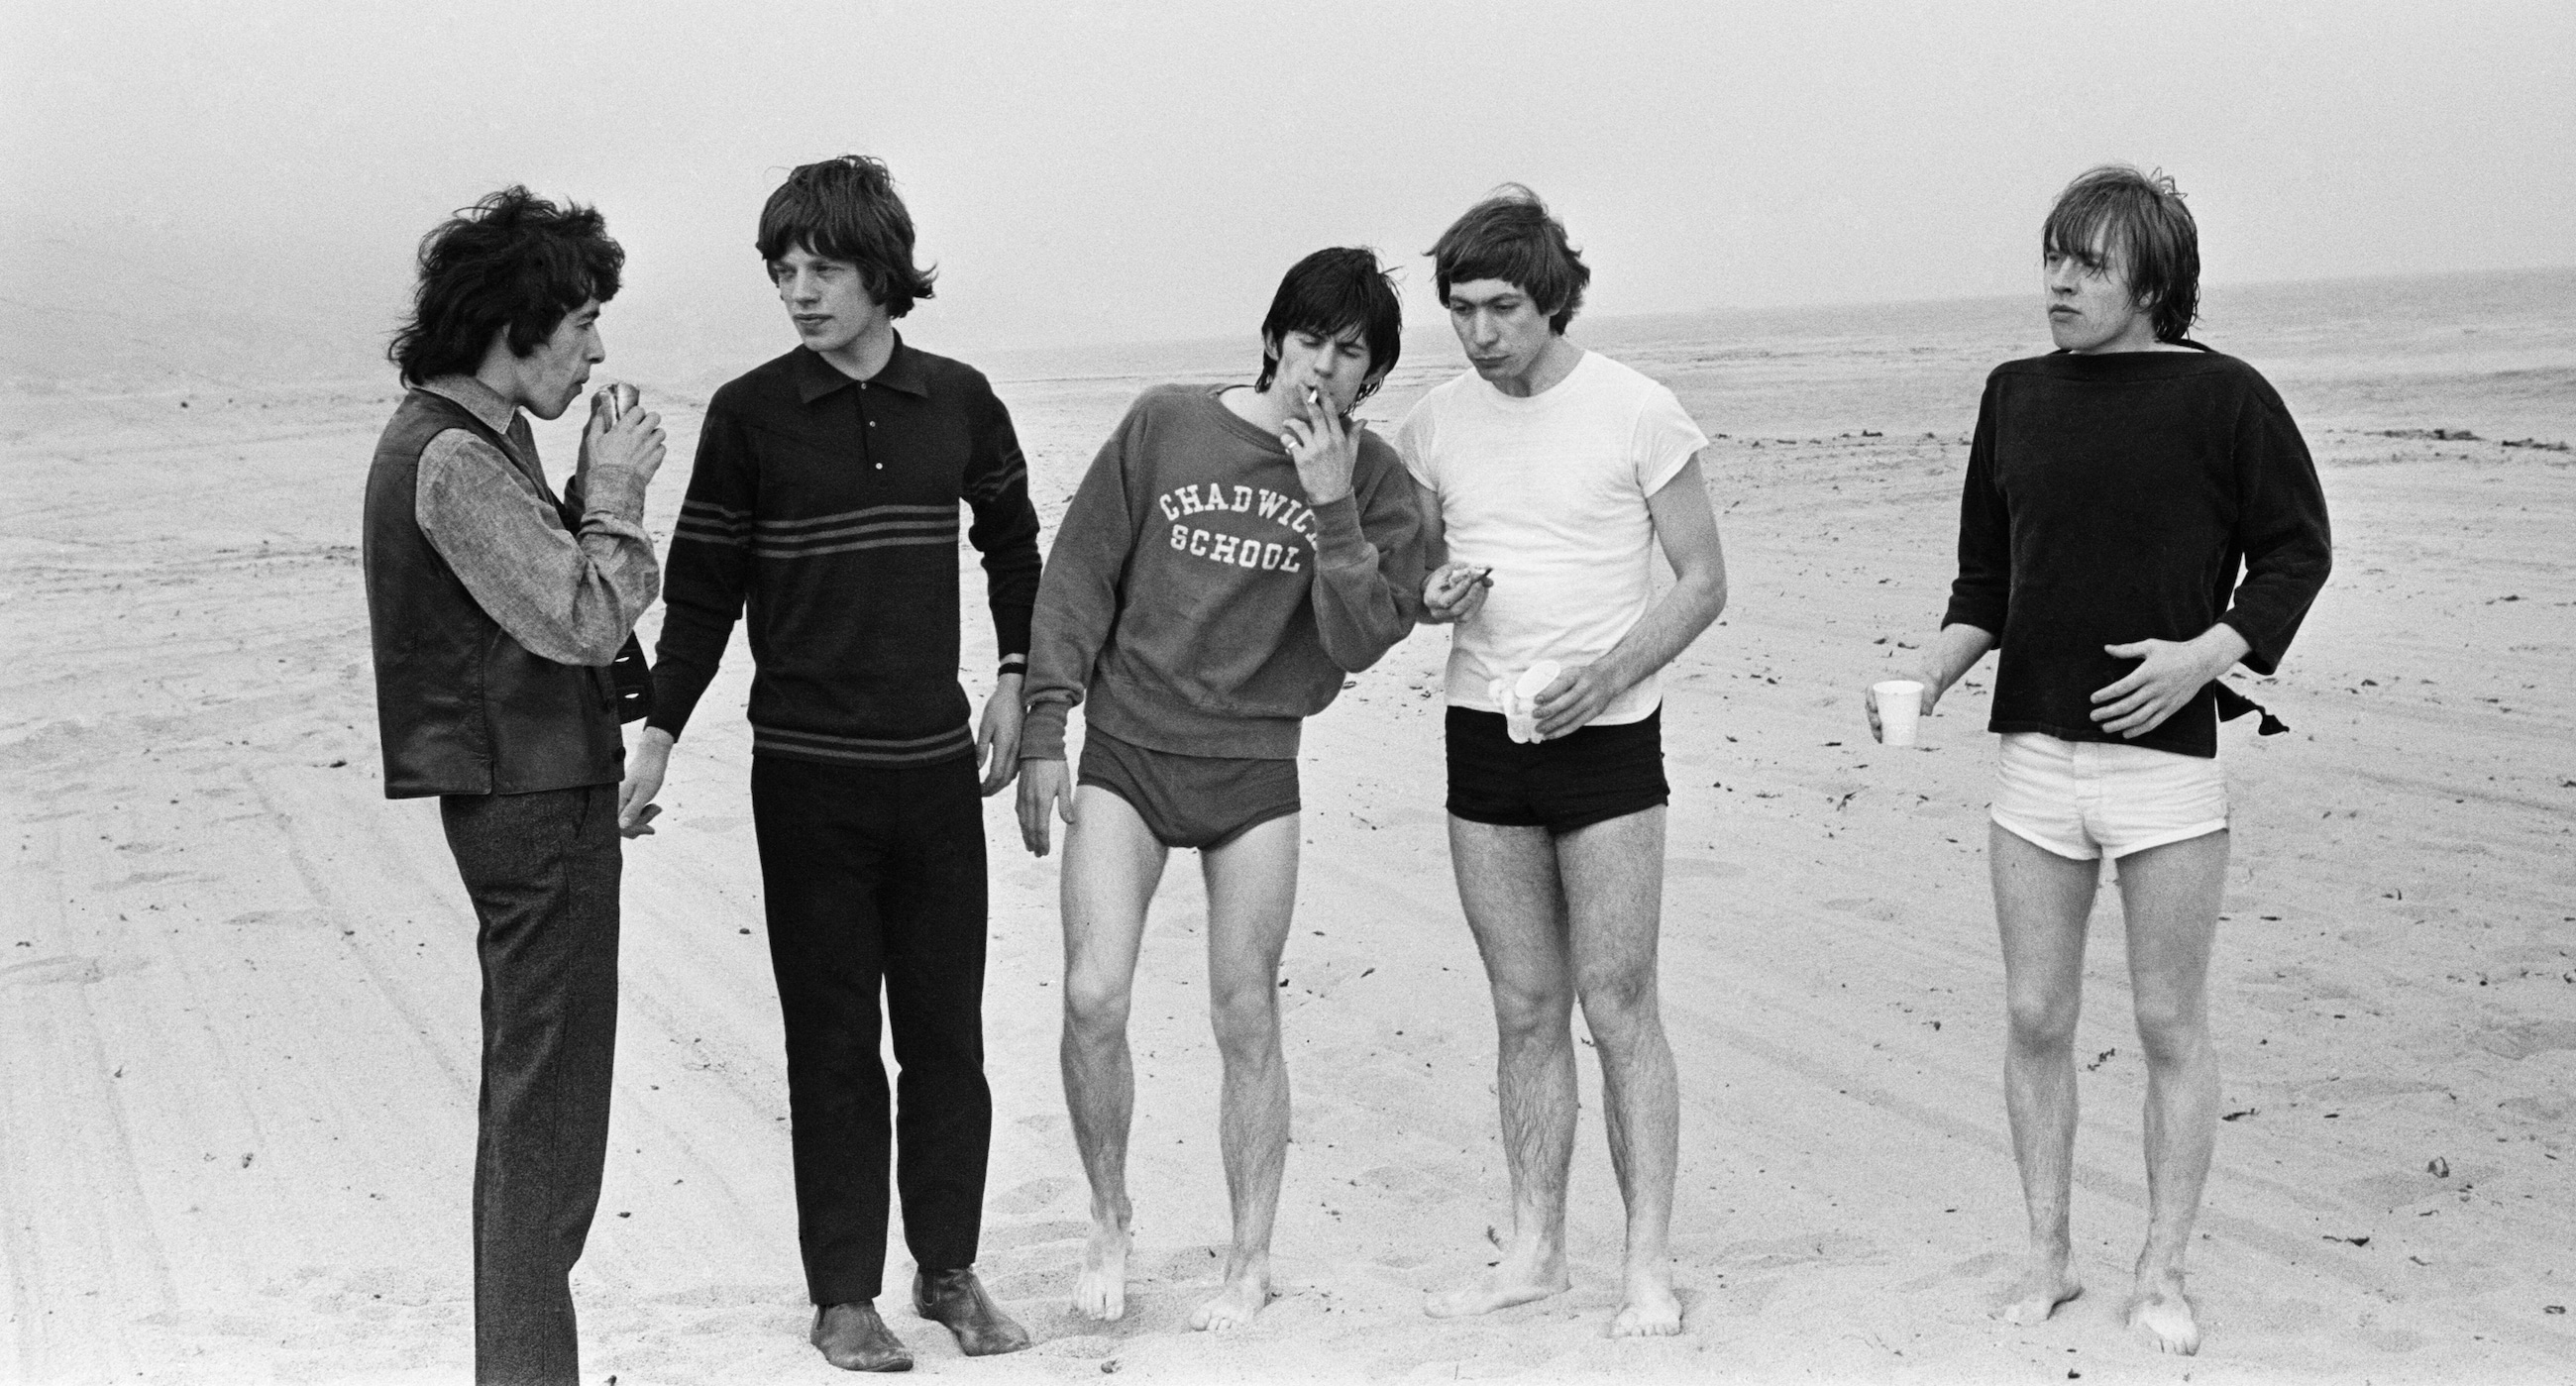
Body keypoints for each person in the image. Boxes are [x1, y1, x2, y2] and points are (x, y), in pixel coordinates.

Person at [1866, 164, 2332, 1355]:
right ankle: (2046, 1252)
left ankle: (2163, 1265)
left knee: (2170, 1019)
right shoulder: (2013, 394)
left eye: (2087, 261)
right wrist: (1929, 674)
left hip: (2165, 771)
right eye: (2051, 257)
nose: (2058, 281)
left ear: (2153, 279)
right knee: (2032, 1014)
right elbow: (1986, 578)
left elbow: (2294, 551)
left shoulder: (2225, 398)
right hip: (2031, 762)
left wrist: (2207, 657)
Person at [617, 155, 1038, 1371]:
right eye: (781, 271)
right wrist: (657, 733)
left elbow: (1014, 544)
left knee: (947, 1037)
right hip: (803, 778)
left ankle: (949, 1271)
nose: (798, 292)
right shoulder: (749, 415)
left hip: (930, 773)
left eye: (822, 269)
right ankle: (844, 1293)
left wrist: (1017, 676)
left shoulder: (957, 399)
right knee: (833, 1038)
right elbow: (700, 594)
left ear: (881, 270)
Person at [1015, 248, 1427, 1332]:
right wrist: (1048, 723)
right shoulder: (1165, 425)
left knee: (1245, 1009)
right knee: (1092, 993)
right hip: (1130, 753)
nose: (1321, 370)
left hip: (1255, 768)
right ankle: (1109, 1220)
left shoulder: (1374, 479)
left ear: (1370, 376)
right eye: (1308, 342)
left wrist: (1333, 509)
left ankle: (1248, 1260)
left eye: (1350, 354)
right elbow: (1078, 574)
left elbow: (1361, 638)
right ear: (1272, 340)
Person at [1397, 186, 1729, 1337]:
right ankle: (1534, 1247)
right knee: (1524, 1004)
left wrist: (1605, 672)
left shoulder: (1637, 410)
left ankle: (1644, 1262)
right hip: (1482, 732)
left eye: (1500, 308)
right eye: (1460, 311)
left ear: (1551, 298)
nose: (1479, 333)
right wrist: (1432, 594)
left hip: (1609, 738)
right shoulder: (1432, 424)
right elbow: (1420, 578)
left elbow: (1700, 581)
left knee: (1620, 999)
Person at [363, 186, 666, 1385]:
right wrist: (618, 489)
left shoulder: (475, 430)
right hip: (529, 811)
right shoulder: (452, 454)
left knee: (547, 1128)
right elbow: (586, 615)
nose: (594, 349)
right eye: (581, 321)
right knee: (542, 1136)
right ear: (513, 323)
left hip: (543, 796)